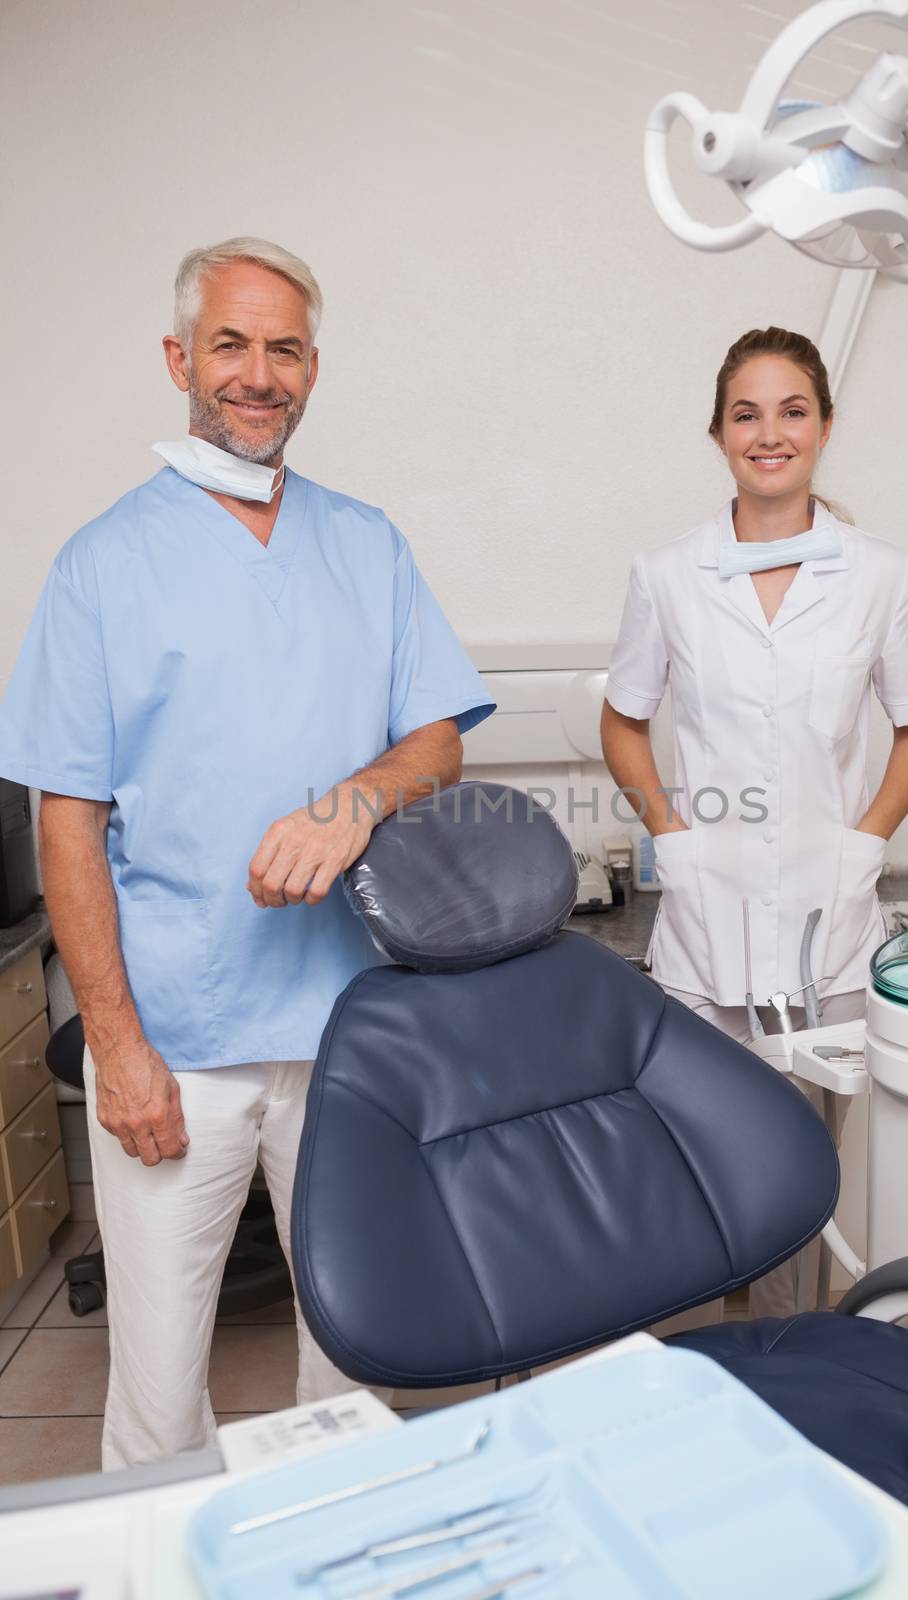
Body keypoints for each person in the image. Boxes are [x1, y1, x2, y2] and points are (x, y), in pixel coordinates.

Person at [0, 237, 494, 1468]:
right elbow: (67, 822)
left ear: (313, 368)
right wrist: (115, 1047)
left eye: (282, 348)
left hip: (353, 1030)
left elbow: (436, 740)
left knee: (355, 1366)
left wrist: (359, 798)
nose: (256, 374)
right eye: (230, 343)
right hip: (181, 1041)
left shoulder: (365, 542)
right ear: (180, 357)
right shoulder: (102, 564)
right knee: (162, 1395)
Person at [601, 325, 908, 1317]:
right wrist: (669, 830)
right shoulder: (666, 573)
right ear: (716, 435)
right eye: (744, 413)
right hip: (701, 929)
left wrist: (862, 840)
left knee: (800, 1184)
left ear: (823, 426)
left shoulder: (878, 574)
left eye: (790, 410)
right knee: (695, 1175)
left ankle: (793, 1370)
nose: (768, 432)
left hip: (825, 931)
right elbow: (621, 722)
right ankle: (711, 1374)